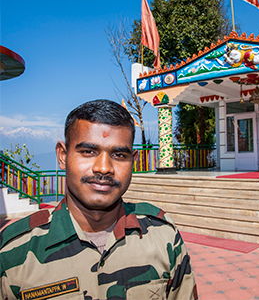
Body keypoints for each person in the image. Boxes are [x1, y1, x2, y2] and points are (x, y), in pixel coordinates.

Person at [0, 99, 197, 300]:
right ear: (62, 155)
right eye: (88, 152)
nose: (104, 167)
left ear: (133, 161)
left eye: (119, 155)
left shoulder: (163, 236)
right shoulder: (13, 251)